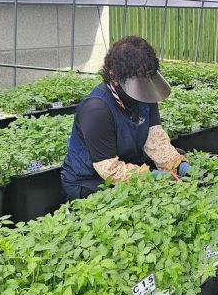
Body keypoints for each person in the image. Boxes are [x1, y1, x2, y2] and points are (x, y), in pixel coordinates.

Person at [60, 36, 190, 201]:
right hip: (92, 180)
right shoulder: (96, 110)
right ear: (114, 77)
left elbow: (155, 140)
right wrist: (152, 177)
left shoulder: (146, 95)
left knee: (178, 158)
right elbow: (110, 170)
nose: (144, 91)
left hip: (128, 164)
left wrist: (178, 164)